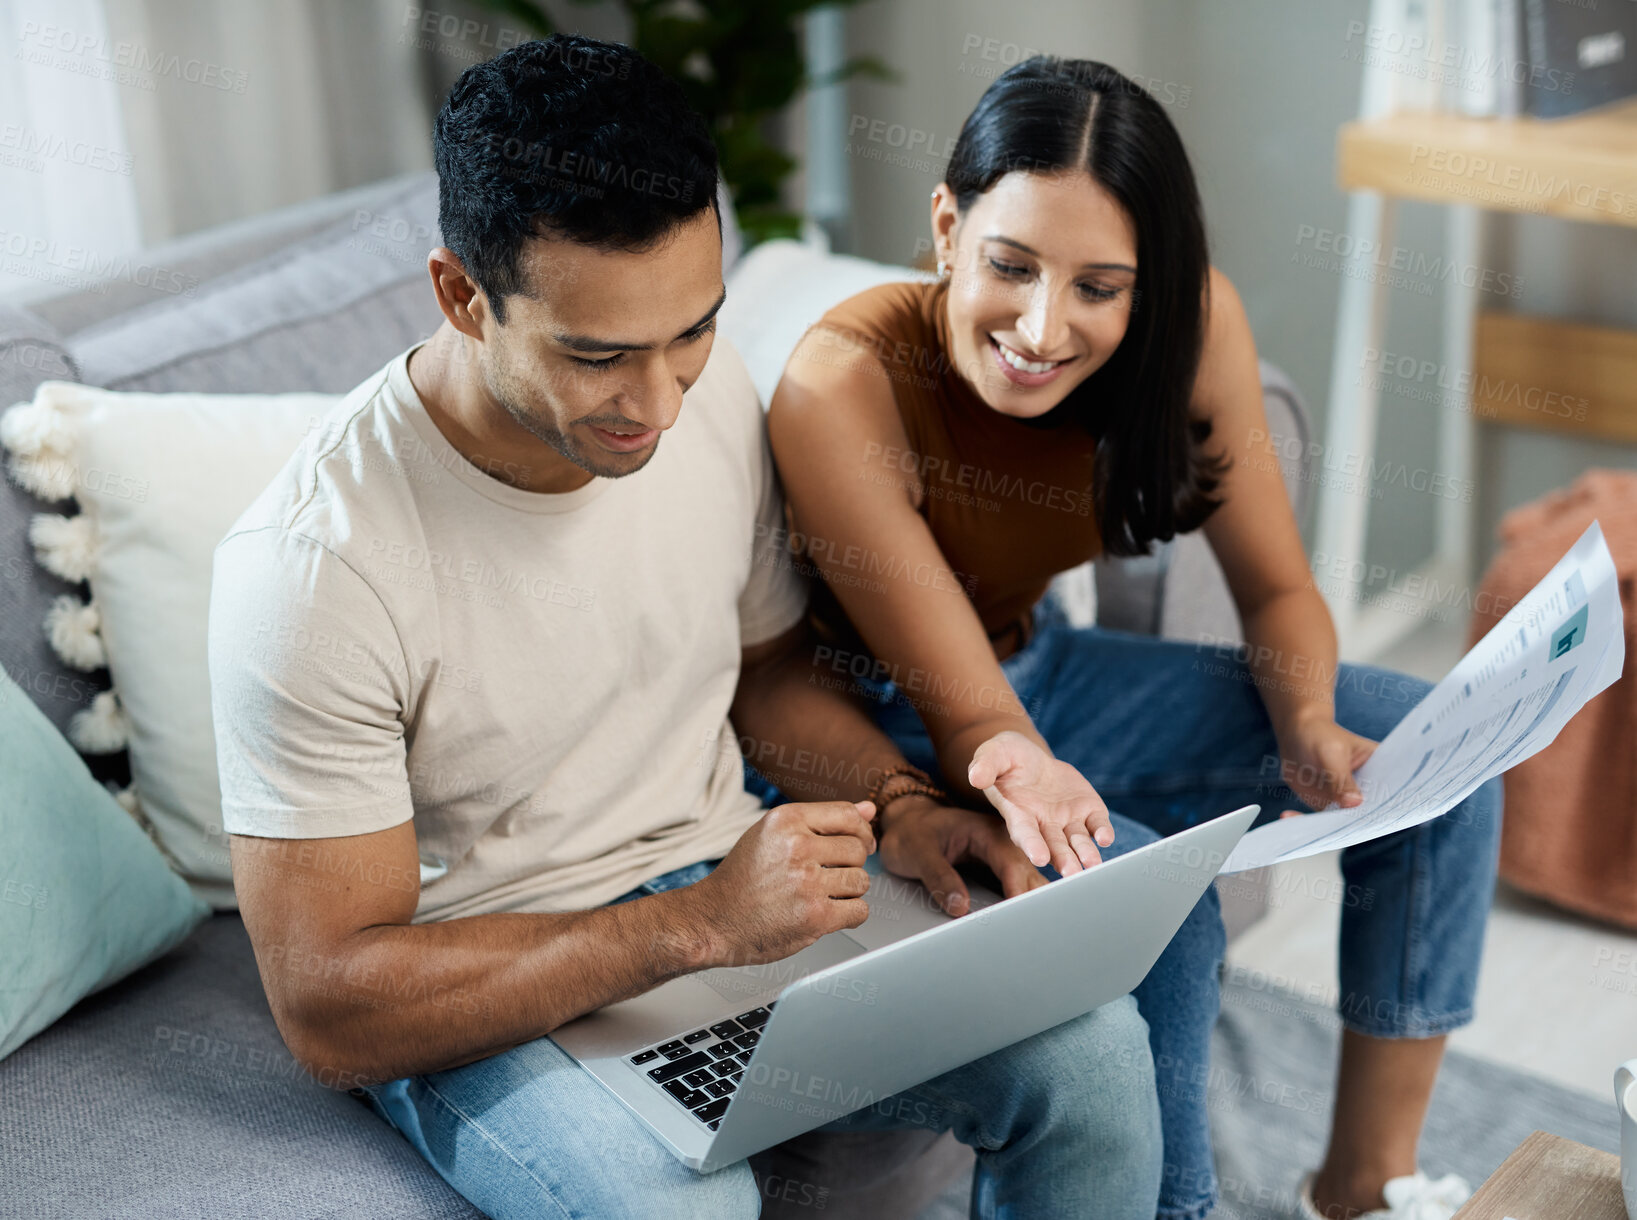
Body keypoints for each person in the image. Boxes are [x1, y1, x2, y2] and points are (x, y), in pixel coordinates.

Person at [206, 35, 1166, 1220]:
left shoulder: (705, 403)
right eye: (597, 354)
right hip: (498, 992)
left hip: (721, 890)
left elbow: (764, 679)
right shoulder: (315, 569)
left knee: (1089, 1051)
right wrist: (692, 925)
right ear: (462, 294)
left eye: (691, 330)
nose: (658, 404)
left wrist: (906, 805)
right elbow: (329, 1005)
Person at [765, 56, 1502, 1220]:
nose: (1042, 327)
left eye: (1097, 287)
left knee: (1430, 751)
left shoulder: (1190, 330)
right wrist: (1013, 764)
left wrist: (1305, 720)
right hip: (875, 724)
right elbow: (968, 715)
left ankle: (1361, 1184)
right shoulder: (840, 384)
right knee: (1160, 899)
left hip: (1039, 670)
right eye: (1009, 266)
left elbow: (1275, 592)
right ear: (947, 227)